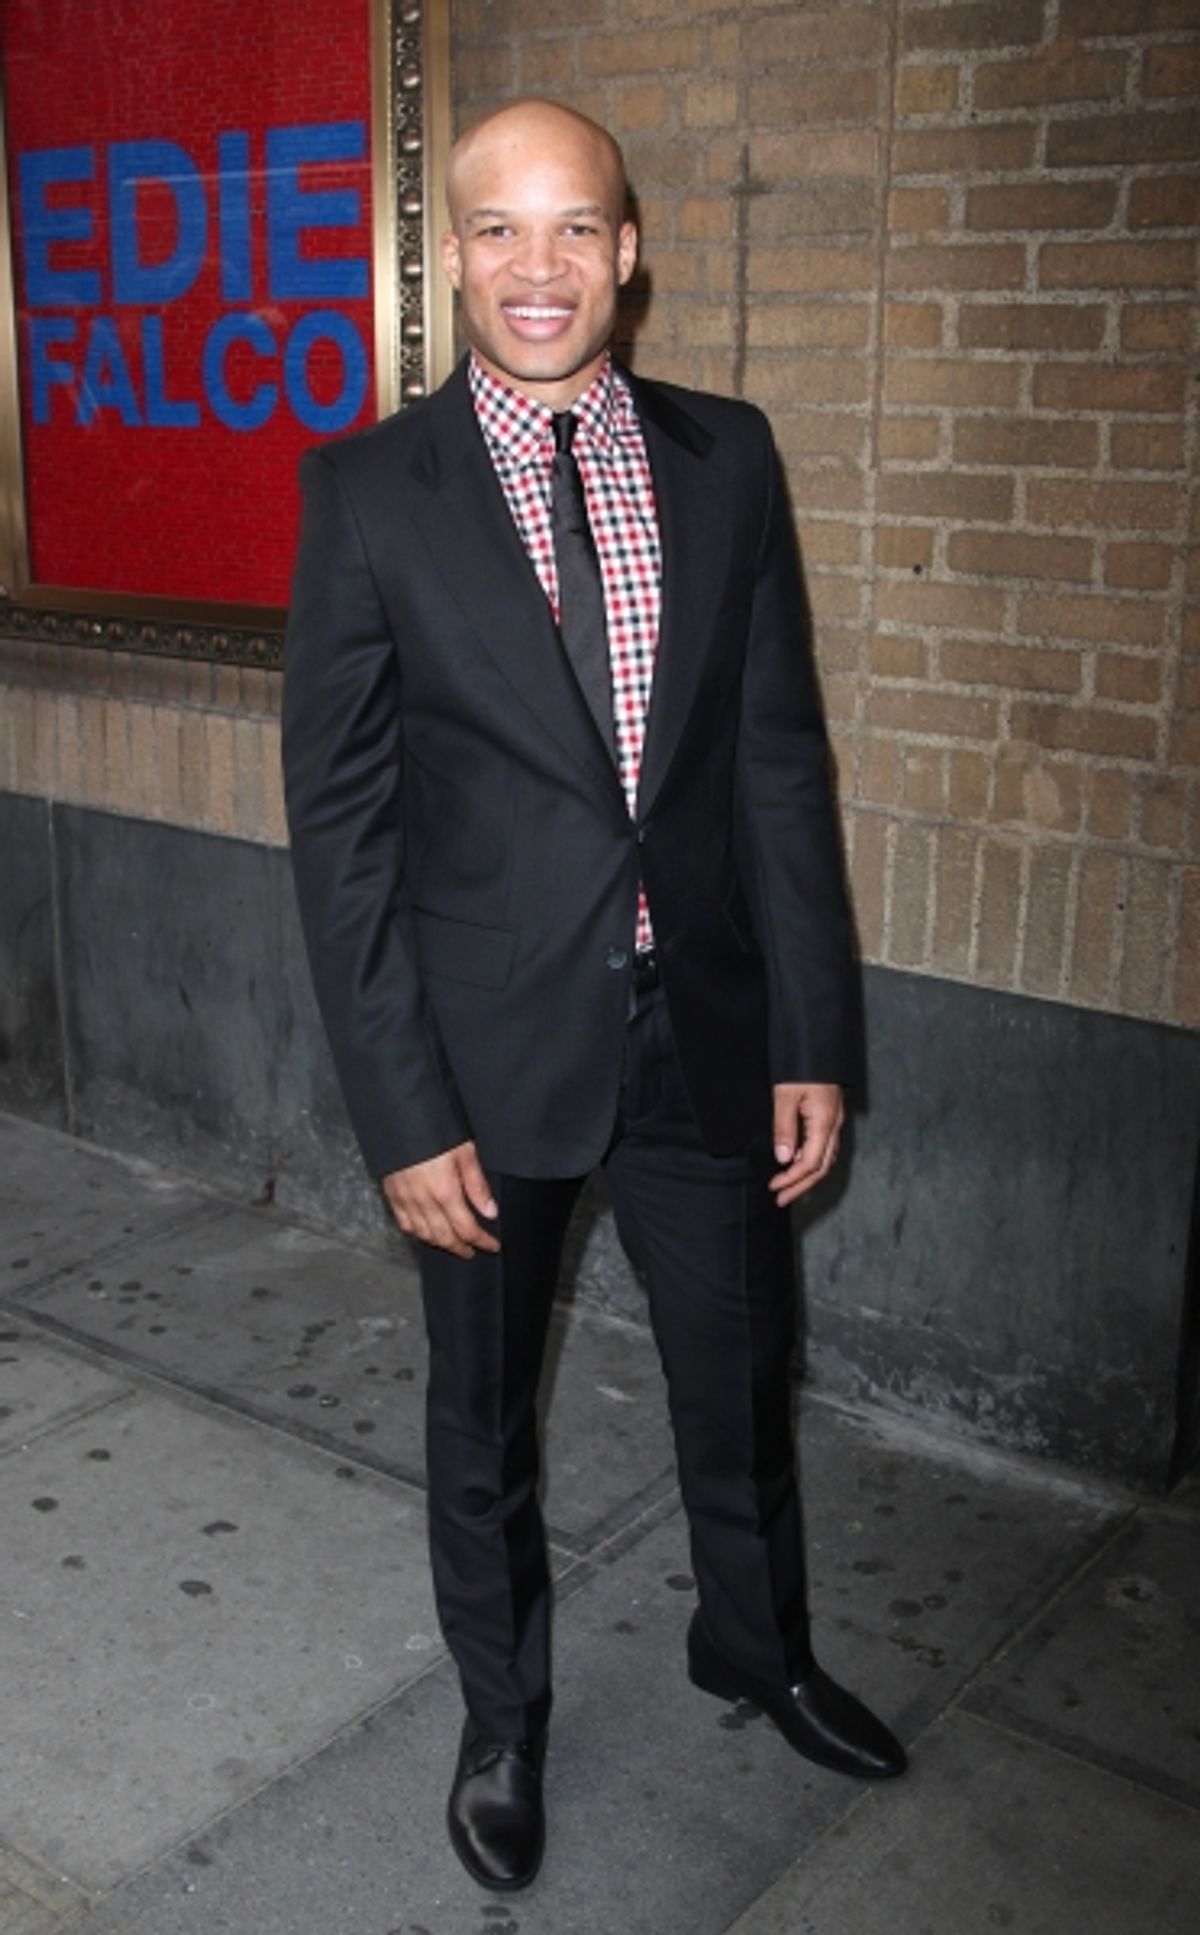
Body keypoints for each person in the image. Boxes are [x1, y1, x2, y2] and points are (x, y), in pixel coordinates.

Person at [281, 96, 905, 1895]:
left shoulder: (729, 457)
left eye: (575, 229)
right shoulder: (368, 491)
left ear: (629, 252)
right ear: (450, 254)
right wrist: (402, 1112)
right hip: (482, 1067)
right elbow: (343, 835)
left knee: (742, 1368)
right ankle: (504, 1718)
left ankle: (756, 1641)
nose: (537, 267)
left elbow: (780, 762)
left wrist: (809, 1035)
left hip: (702, 1031)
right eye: (498, 230)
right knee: (482, 1422)